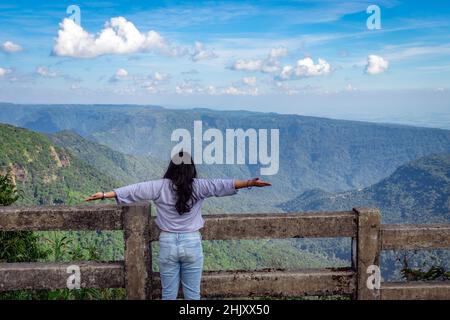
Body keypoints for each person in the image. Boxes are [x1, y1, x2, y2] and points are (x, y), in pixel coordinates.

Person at [85, 151, 271, 300]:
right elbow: (222, 185)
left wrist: (103, 194)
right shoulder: (199, 186)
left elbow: (134, 190)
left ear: (171, 168)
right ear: (191, 169)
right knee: (192, 296)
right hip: (192, 243)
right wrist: (249, 183)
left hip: (167, 243)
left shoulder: (159, 186)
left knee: (168, 295)